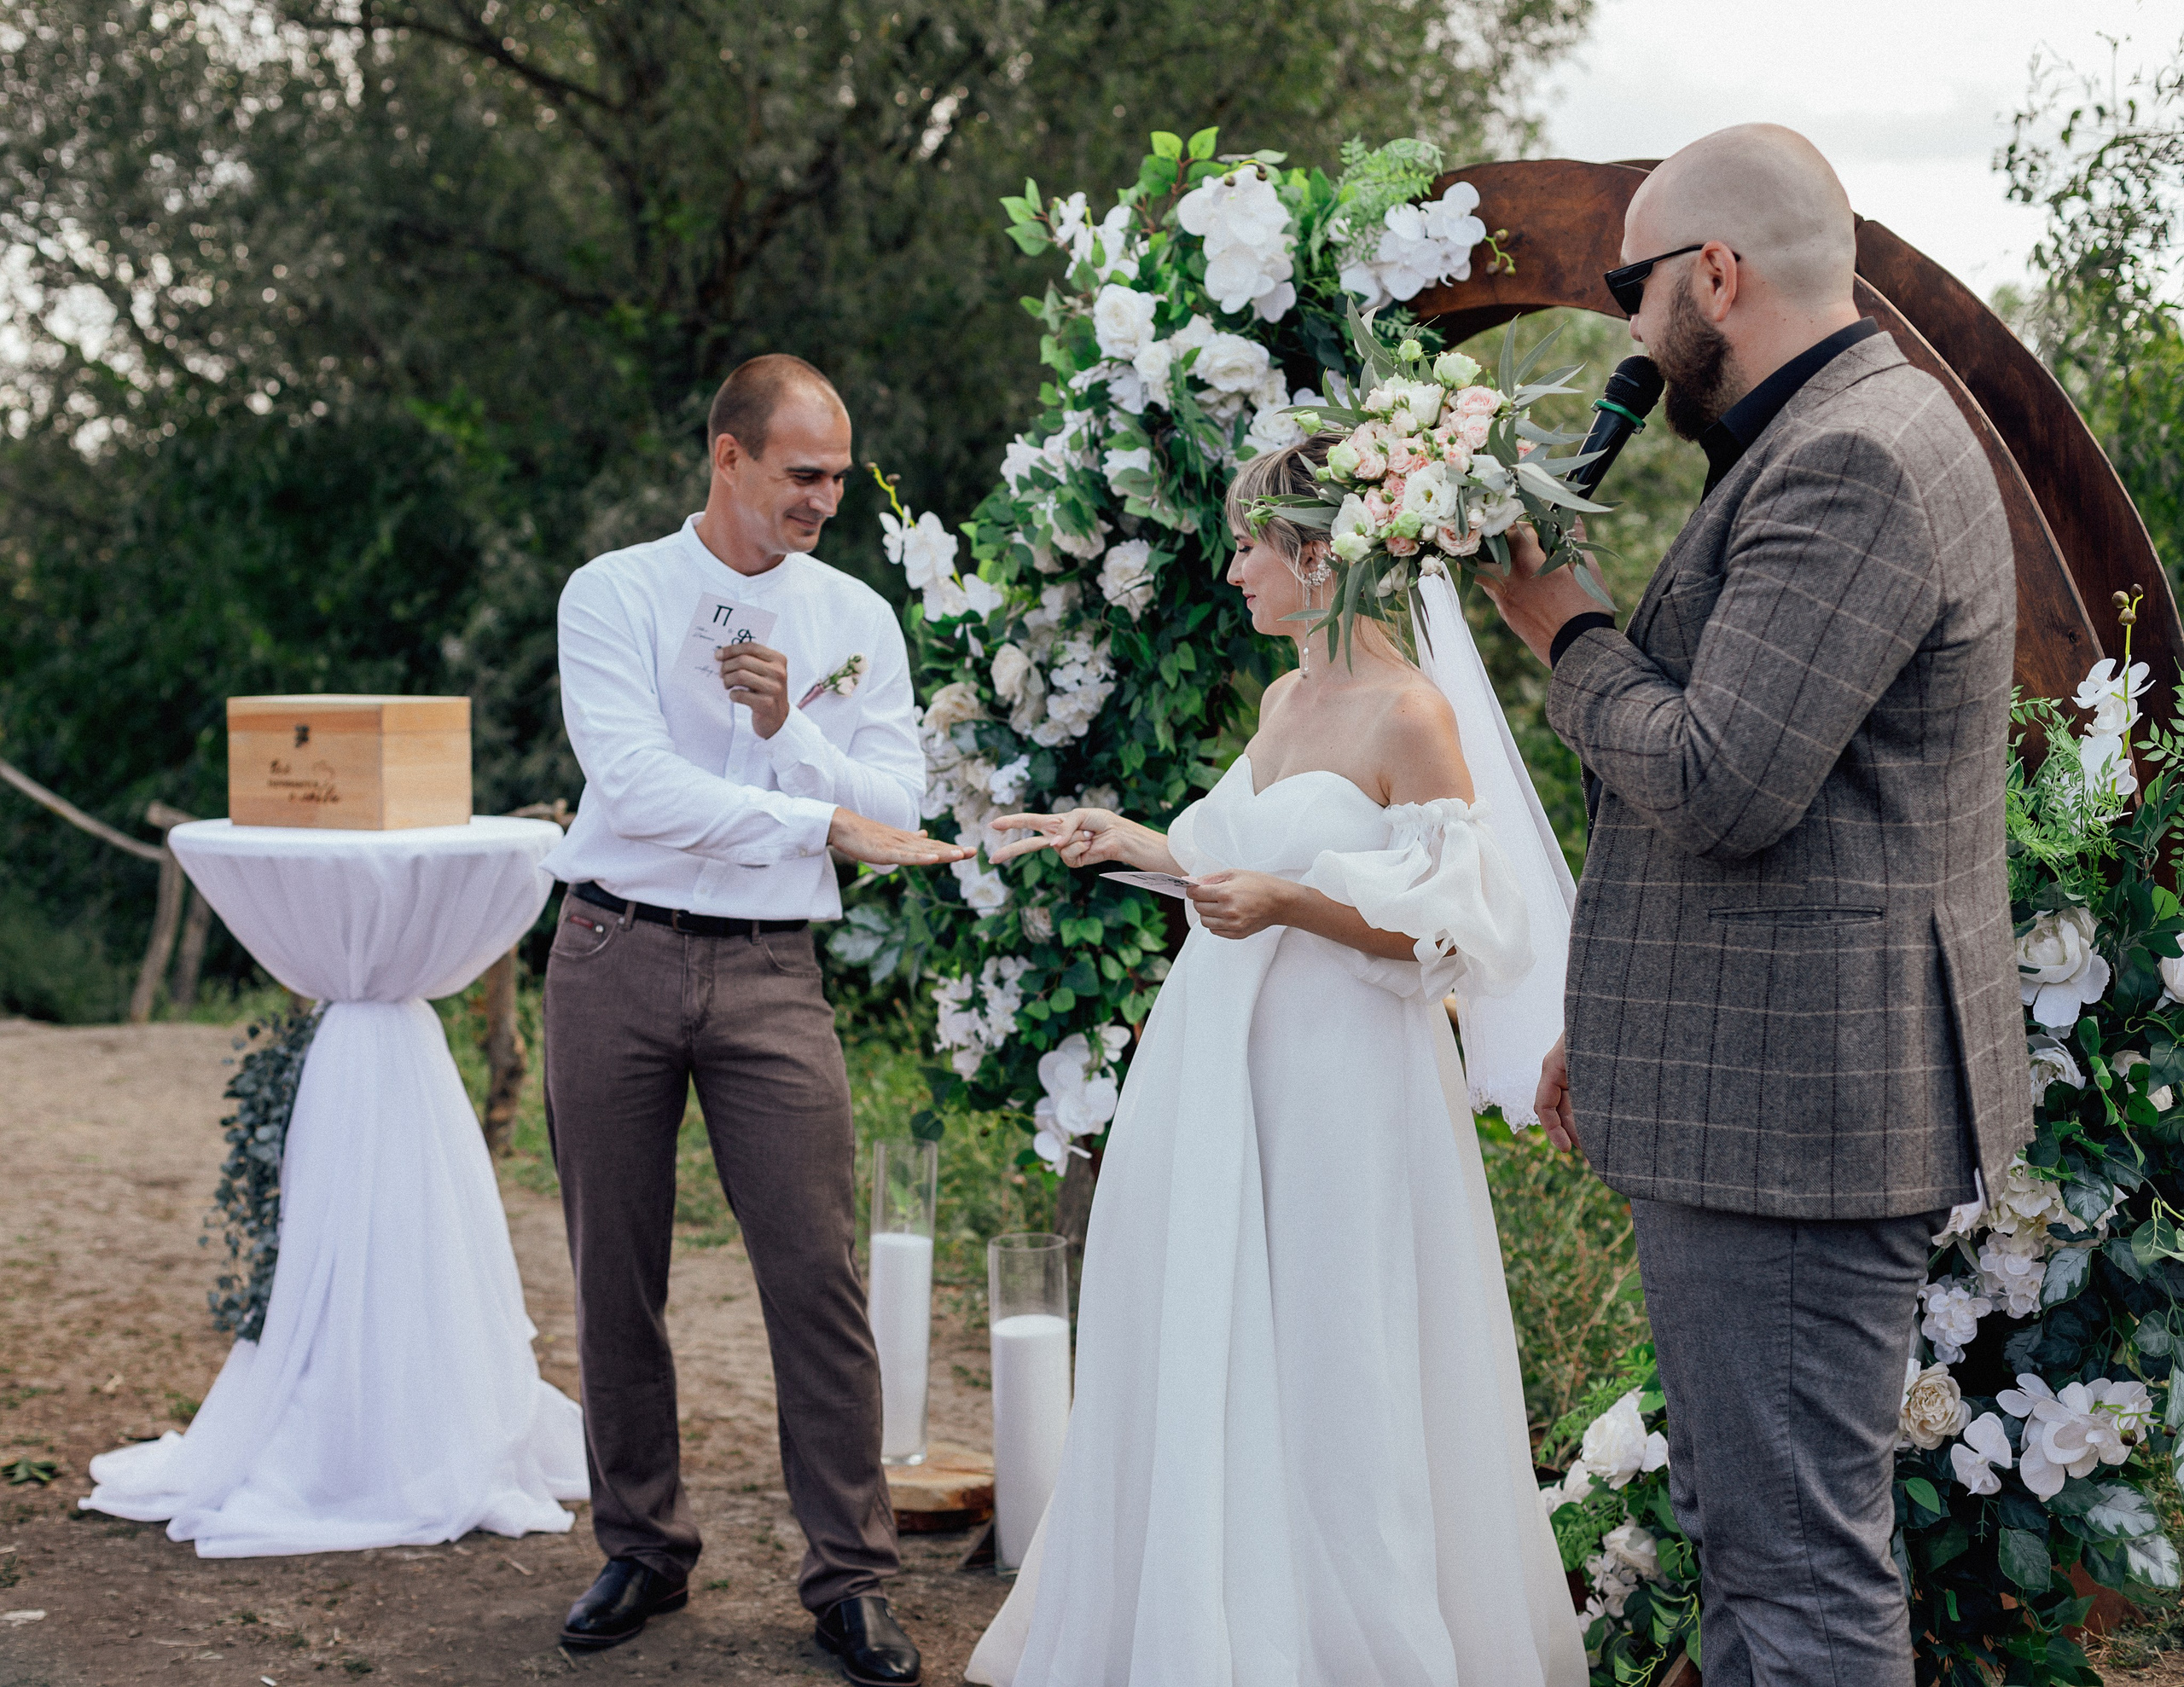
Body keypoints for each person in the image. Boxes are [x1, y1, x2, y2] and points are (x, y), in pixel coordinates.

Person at [1478, 125, 2030, 1687]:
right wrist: (1621, 1031)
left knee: (1793, 1571)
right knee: (1758, 1530)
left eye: (1631, 284)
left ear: (1715, 272)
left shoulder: (1855, 454)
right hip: (1764, 1089)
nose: (1628, 323)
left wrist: (1565, 628)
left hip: (1802, 1119)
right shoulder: (1826, 438)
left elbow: (1722, 779)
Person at [962, 434, 1587, 1687]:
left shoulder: (1411, 711)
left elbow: (1465, 927)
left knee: (1334, 1344)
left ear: (1319, 554)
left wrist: (1297, 904)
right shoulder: (1284, 701)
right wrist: (1124, 837)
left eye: (1253, 541)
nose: (1235, 565)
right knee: (1229, 1335)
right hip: (1221, 1068)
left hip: (1344, 1080)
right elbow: (1227, 868)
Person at [539, 353, 969, 1685]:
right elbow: (637, 783)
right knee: (618, 1264)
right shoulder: (614, 591)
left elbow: (893, 799)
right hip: (614, 947)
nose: (827, 497)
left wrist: (795, 739)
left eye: (838, 474)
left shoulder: (857, 615)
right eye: (803, 472)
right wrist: (819, 823)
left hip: (774, 968)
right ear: (727, 457)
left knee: (816, 1275)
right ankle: (644, 1546)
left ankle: (850, 1577)